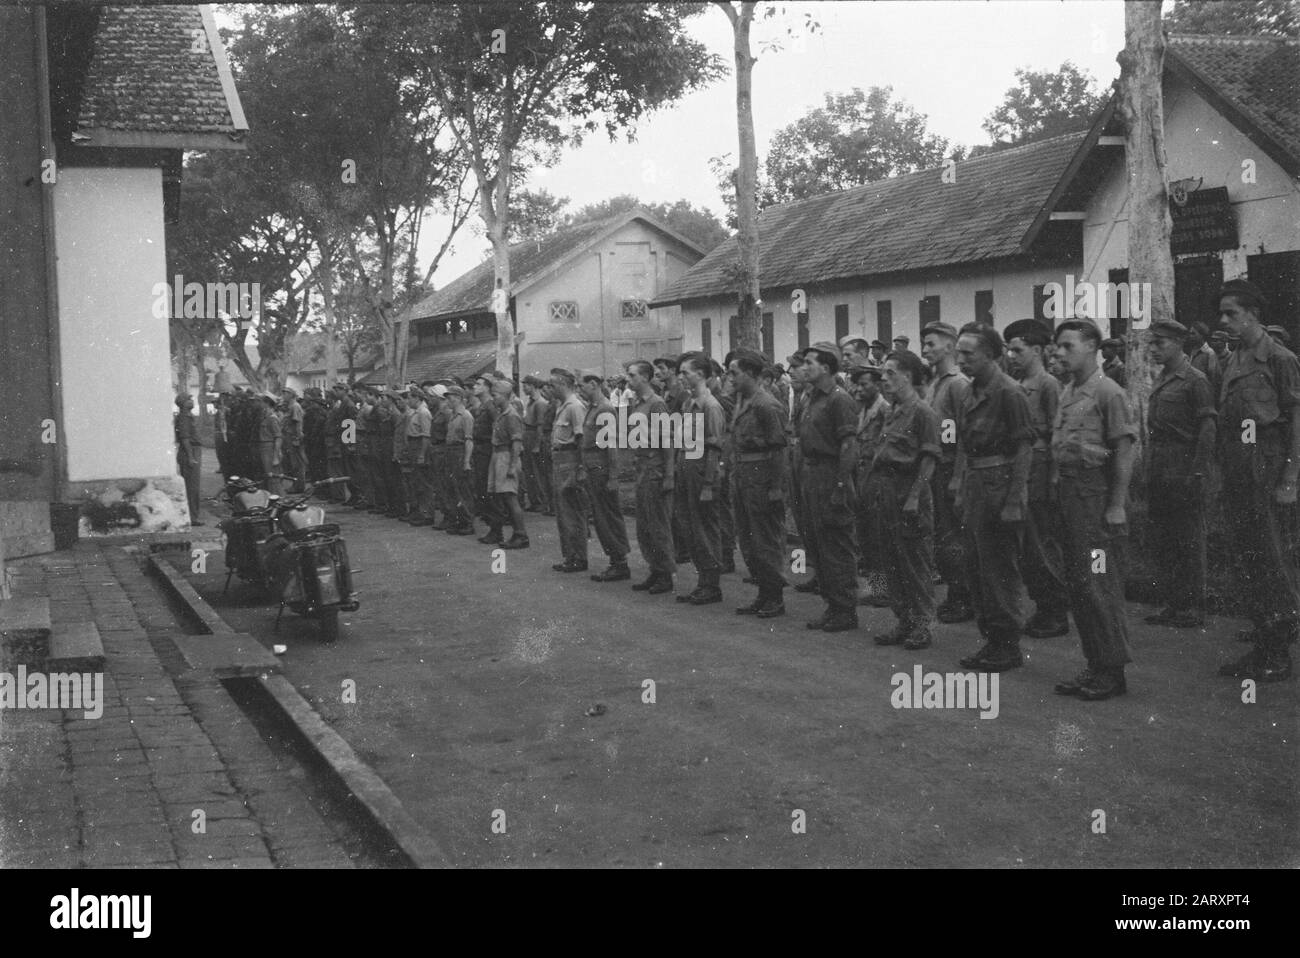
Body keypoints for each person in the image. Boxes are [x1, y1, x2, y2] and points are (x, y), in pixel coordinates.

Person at [1216, 279, 1299, 682]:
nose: (1224, 320)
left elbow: (1296, 421)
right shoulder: (1233, 358)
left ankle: (1279, 650)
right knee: (1246, 555)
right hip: (1237, 462)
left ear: (1253, 313)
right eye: (1223, 313)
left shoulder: (1279, 359)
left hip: (1266, 461)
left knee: (1272, 556)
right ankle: (1262, 643)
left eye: (1231, 313)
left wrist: (1291, 477)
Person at [1051, 319, 1137, 701]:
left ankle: (1112, 671)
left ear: (1091, 347)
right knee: (1081, 585)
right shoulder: (1069, 391)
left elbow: (1124, 451)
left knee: (1100, 584)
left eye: (1068, 346)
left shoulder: (1108, 392)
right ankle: (1096, 664)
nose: (1060, 353)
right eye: (1059, 346)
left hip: (1097, 503)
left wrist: (1117, 505)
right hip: (1072, 502)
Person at [952, 323, 1034, 673]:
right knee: (977, 565)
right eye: (959, 353)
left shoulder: (1009, 392)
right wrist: (959, 482)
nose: (961, 360)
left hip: (1000, 484)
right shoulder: (971, 391)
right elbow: (963, 442)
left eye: (968, 354)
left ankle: (1007, 644)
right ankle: (992, 639)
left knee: (999, 567)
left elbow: (1024, 448)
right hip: (976, 483)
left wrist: (1015, 499)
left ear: (990, 354)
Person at [1144, 319, 1216, 629]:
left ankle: (1194, 606)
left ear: (1178, 343)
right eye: (1152, 343)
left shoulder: (1195, 379)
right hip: (1161, 468)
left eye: (1159, 343)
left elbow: (1208, 428)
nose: (1153, 349)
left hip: (1184, 466)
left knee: (1189, 539)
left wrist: (1198, 471)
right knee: (1167, 538)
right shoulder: (1163, 378)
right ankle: (1174, 603)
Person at [866, 351, 940, 648]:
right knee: (892, 560)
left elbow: (930, 459)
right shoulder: (891, 411)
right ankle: (904, 620)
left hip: (909, 491)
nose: (883, 379)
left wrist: (914, 497)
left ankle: (922, 625)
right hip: (886, 492)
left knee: (915, 562)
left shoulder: (923, 412)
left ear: (907, 376)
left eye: (890, 373)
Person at [1004, 319, 1070, 639]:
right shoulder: (1017, 386)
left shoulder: (1048, 385)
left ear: (1038, 350)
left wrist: (1056, 477)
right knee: (1027, 546)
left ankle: (1055, 610)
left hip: (1042, 469)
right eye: (1009, 350)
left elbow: (1059, 434)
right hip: (1023, 468)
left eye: (1018, 350)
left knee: (1043, 543)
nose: (1012, 356)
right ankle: (1044, 605)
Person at [798, 342, 860, 633]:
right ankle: (832, 604)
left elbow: (848, 446)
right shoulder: (811, 398)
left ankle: (845, 609)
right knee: (818, 543)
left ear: (826, 367)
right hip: (811, 474)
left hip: (830, 473)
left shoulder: (839, 400)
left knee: (836, 544)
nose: (804, 367)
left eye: (810, 363)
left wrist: (840, 486)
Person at [728, 349, 789, 617]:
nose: (729, 378)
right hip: (743, 476)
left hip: (761, 477)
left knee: (765, 539)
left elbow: (779, 448)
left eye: (734, 373)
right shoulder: (742, 400)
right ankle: (763, 594)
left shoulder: (766, 404)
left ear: (751, 374)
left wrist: (776, 487)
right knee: (749, 539)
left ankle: (774, 597)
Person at [921, 321, 974, 624]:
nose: (925, 350)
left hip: (949, 467)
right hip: (937, 467)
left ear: (950, 347)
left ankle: (962, 596)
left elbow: (963, 436)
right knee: (942, 536)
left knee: (953, 537)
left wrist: (957, 476)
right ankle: (957, 593)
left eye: (931, 344)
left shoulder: (957, 384)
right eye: (925, 344)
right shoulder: (935, 384)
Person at [675, 353, 727, 605]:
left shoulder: (710, 406)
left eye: (686, 372)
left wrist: (708, 484)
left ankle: (712, 584)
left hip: (702, 472)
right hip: (687, 468)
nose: (681, 376)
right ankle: (703, 581)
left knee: (705, 528)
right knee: (691, 528)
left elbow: (715, 449)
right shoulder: (688, 403)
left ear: (701, 375)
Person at [626, 359, 676, 595]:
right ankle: (655, 569)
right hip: (642, 466)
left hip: (654, 467)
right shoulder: (639, 403)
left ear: (645, 377)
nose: (629, 380)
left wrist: (668, 474)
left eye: (633, 375)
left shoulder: (657, 405)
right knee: (644, 525)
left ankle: (665, 574)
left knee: (657, 523)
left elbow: (667, 441)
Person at [578, 371, 631, 581]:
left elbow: (611, 446)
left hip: (602, 470)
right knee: (601, 518)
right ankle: (616, 561)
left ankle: (620, 563)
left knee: (608, 517)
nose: (580, 390)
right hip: (593, 469)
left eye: (582, 386)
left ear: (593, 384)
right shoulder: (593, 409)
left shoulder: (605, 409)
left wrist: (613, 477)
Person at [848, 362, 891, 608]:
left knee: (877, 536)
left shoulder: (883, 409)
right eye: (858, 385)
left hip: (876, 474)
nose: (860, 389)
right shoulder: (861, 409)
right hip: (861, 472)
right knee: (866, 534)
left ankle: (884, 590)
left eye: (865, 384)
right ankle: (878, 588)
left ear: (877, 384)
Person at [549, 367, 589, 571]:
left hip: (570, 461)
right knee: (563, 512)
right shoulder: (562, 405)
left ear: (563, 384)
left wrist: (581, 468)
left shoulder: (575, 407)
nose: (550, 387)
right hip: (560, 460)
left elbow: (582, 439)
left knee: (572, 511)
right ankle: (570, 556)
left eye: (553, 384)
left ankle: (579, 557)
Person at [485, 378, 529, 549]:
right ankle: (511, 533)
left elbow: (517, 442)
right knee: (502, 496)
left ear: (504, 396)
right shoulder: (501, 413)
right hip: (497, 455)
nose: (493, 398)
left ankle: (521, 534)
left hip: (506, 456)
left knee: (510, 498)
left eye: (495, 395)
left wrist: (511, 466)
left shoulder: (511, 415)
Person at [441, 385, 476, 535]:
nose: (448, 400)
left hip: (460, 452)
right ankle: (458, 520)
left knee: (463, 490)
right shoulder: (453, 416)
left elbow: (469, 440)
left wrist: (467, 461)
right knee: (452, 489)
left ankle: (467, 522)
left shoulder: (466, 416)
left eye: (450, 397)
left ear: (458, 398)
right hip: (451, 452)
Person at [400, 388, 435, 526]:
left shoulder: (423, 412)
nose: (408, 401)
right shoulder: (416, 412)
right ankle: (420, 512)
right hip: (414, 445)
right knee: (416, 482)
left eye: (410, 398)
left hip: (420, 446)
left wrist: (421, 454)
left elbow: (426, 435)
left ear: (417, 398)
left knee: (424, 484)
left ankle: (427, 514)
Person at [174, 394, 203, 526]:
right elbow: (185, 439)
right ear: (183, 403)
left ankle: (193, 515)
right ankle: (192, 517)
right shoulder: (184, 418)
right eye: (189, 399)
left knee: (193, 486)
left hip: (193, 451)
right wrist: (191, 457)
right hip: (190, 452)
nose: (192, 401)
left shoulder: (187, 416)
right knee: (192, 487)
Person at [521, 375, 548, 512]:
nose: (524, 388)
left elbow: (540, 426)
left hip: (534, 437)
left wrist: (537, 445)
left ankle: (541, 501)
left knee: (536, 472)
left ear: (532, 386)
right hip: (527, 436)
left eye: (526, 385)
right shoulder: (531, 402)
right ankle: (534, 501)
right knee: (529, 471)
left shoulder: (540, 403)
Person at [1186, 321, 1222, 403]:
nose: (1190, 336)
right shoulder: (1193, 351)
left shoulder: (1209, 353)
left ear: (1202, 335)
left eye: (1193, 333)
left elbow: (1213, 379)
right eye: (1190, 333)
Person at [280, 387, 306, 492]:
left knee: (297, 464)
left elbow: (298, 423)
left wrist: (297, 438)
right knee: (294, 463)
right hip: (289, 437)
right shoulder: (290, 406)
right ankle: (297, 485)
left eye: (286, 393)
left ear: (291, 395)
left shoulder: (295, 406)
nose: (284, 395)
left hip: (294, 438)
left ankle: (298, 486)